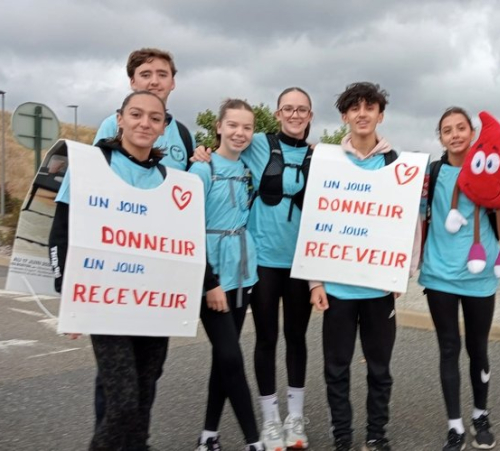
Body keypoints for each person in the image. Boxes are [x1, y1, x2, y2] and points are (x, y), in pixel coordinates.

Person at [48, 90, 175, 450]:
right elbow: (61, 232)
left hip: (153, 303)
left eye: (154, 118)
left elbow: (180, 242)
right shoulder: (91, 164)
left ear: (163, 127)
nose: (144, 123)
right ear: (120, 118)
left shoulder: (168, 178)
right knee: (120, 404)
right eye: (136, 114)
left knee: (144, 397)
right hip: (106, 301)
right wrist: (68, 293)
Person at [194, 87, 316, 451]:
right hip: (260, 260)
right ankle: (270, 420)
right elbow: (222, 152)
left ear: (310, 116)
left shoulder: (321, 155)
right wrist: (200, 153)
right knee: (265, 339)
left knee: (297, 338)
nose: (295, 115)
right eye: (288, 109)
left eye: (302, 110)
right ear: (277, 114)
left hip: (300, 262)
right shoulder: (257, 143)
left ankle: (295, 418)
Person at [309, 82, 417, 451]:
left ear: (380, 115)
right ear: (344, 116)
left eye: (369, 107)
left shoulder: (395, 163)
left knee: (379, 369)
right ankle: (342, 436)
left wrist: (401, 269)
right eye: (354, 108)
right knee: (336, 369)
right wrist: (315, 282)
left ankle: (376, 434)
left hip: (377, 289)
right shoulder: (327, 162)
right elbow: (315, 219)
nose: (362, 114)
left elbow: (406, 221)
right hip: (337, 289)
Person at [419, 107, 500, 451]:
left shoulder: (490, 168)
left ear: (472, 132)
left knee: (478, 349)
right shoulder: (432, 173)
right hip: (438, 276)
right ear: (440, 138)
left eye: (461, 128)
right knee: (448, 349)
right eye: (447, 130)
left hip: (480, 277)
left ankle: (480, 414)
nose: (455, 135)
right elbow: (414, 217)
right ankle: (455, 426)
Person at [190, 99, 263, 451]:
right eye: (233, 125)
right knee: (232, 356)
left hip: (242, 273)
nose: (240, 132)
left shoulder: (248, 168)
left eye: (247, 127)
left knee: (225, 356)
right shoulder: (202, 170)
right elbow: (187, 230)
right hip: (212, 276)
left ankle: (208, 436)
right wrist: (210, 283)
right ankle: (255, 440)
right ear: (219, 126)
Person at [94, 47, 195, 171]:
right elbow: (95, 173)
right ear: (133, 82)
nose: (154, 81)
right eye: (146, 75)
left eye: (162, 75)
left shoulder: (185, 135)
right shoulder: (112, 125)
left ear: (172, 82)